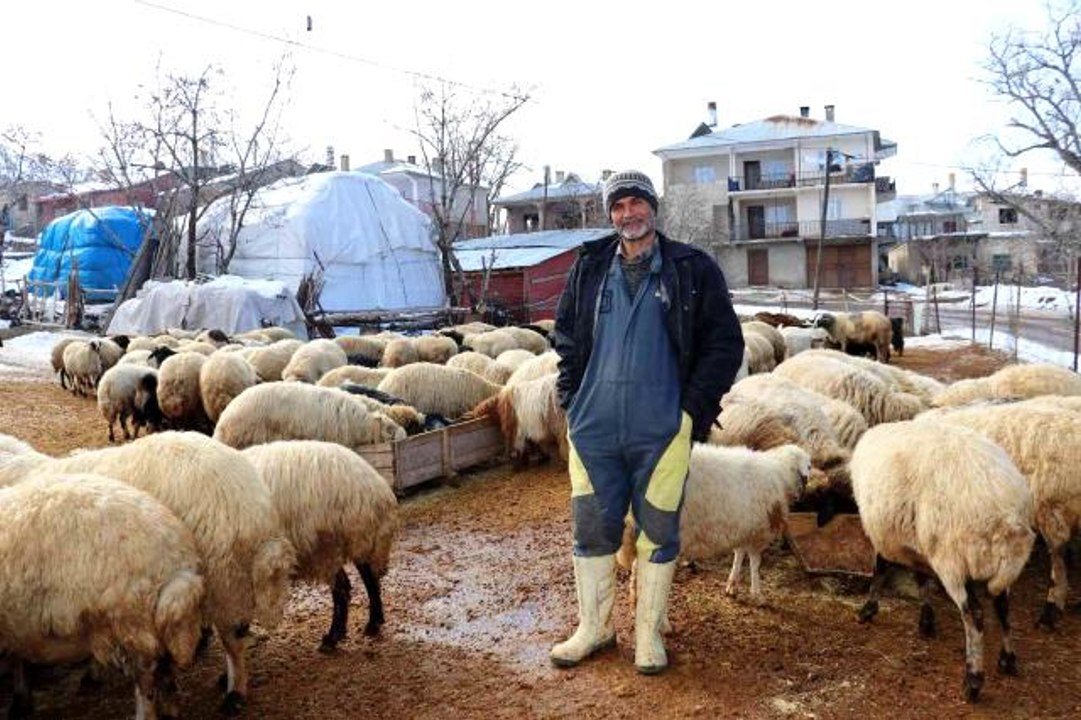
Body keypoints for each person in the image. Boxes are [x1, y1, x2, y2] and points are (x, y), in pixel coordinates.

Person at [549, 169, 744, 674]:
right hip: (593, 427)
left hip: (662, 429)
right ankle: (595, 628)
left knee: (658, 531)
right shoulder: (590, 265)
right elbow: (566, 335)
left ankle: (648, 635)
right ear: (610, 213)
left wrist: (691, 412)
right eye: (618, 206)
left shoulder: (691, 268)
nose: (627, 214)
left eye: (636, 203)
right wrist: (570, 400)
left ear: (652, 209)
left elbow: (726, 345)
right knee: (593, 530)